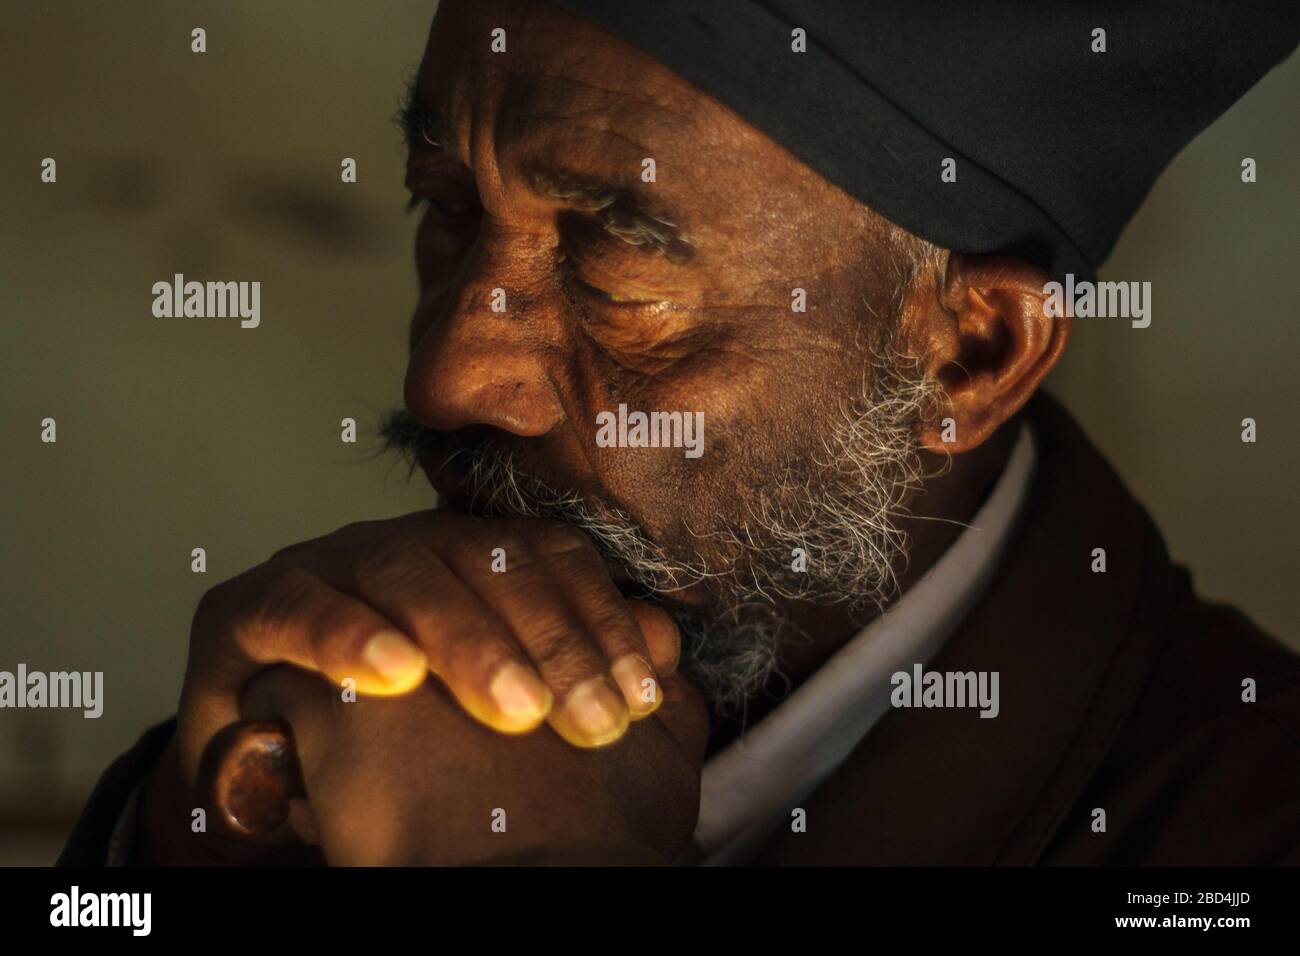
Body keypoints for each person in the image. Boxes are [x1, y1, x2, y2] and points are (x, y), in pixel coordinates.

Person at [61, 0, 1300, 866]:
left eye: (614, 264)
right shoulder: (338, 706)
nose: (449, 376)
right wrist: (177, 849)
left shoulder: (1232, 830)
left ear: (969, 352)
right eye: (443, 209)